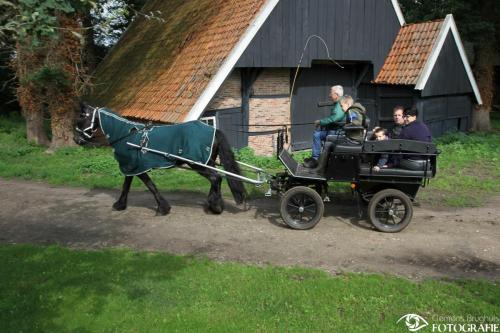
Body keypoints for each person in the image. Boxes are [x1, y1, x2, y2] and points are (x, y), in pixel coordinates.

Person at [303, 85, 344, 168]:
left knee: (317, 135)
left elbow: (336, 118)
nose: (329, 95)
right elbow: (333, 118)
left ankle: (315, 160)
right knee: (317, 134)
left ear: (336, 95)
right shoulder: (338, 103)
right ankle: (316, 158)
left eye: (331, 93)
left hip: (337, 132)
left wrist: (320, 122)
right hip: (334, 130)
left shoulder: (340, 104)